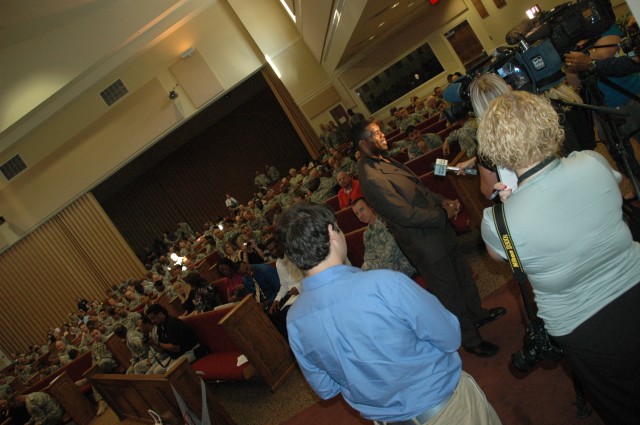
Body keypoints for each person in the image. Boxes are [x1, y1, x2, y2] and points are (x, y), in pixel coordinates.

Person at [477, 90, 640, 425]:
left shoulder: (498, 221)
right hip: (636, 284)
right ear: (549, 123)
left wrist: (511, 204)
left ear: (495, 150)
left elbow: (498, 256)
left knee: (625, 406)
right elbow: (616, 182)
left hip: (584, 330)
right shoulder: (591, 161)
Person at [275, 202, 502, 425]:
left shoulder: (294, 320)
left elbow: (326, 389)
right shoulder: (385, 284)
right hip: (447, 411)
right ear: (331, 233)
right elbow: (450, 335)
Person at [351, 119, 505, 357]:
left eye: (381, 130)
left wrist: (441, 201)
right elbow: (404, 214)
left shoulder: (384, 158)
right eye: (376, 133)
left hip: (437, 230)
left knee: (463, 277)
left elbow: (419, 189)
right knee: (449, 295)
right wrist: (442, 213)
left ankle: (479, 315)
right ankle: (471, 340)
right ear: (363, 143)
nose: (383, 135)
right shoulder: (371, 177)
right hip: (424, 243)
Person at [351, 197, 416, 277]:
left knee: (367, 268)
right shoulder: (367, 234)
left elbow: (393, 250)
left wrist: (375, 265)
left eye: (362, 210)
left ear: (369, 206)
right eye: (357, 213)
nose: (360, 215)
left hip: (402, 265)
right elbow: (368, 257)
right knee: (364, 270)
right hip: (383, 269)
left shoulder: (387, 222)